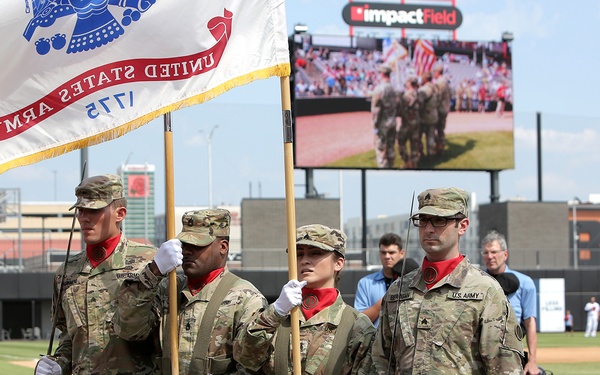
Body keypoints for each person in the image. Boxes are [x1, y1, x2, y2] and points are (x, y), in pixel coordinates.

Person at [372, 187, 524, 374]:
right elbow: (379, 361)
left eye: (438, 220)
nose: (428, 228)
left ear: (463, 225)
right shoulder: (398, 291)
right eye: (423, 220)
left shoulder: (486, 291)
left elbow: (505, 368)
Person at [113, 208, 267, 374]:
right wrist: (153, 271)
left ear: (223, 247)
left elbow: (251, 365)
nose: (187, 251)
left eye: (197, 245)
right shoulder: (167, 289)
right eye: (184, 244)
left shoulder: (246, 299)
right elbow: (127, 329)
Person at [35, 174, 160, 375]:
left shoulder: (149, 263)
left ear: (120, 213)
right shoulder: (67, 272)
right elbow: (70, 335)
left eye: (94, 210)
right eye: (80, 210)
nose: (84, 218)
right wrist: (59, 363)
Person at [234, 224, 375, 374]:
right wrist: (276, 312)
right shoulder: (275, 316)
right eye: (299, 254)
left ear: (338, 263)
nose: (304, 260)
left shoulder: (356, 325)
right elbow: (243, 358)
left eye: (315, 253)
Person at [482, 230, 540, 375]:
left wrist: (532, 361)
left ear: (505, 254)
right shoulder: (477, 282)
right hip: (480, 356)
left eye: (494, 252)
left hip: (511, 355)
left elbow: (530, 322)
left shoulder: (525, 283)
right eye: (486, 252)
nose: (490, 256)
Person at [354, 232, 417, 327]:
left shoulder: (411, 280)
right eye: (383, 252)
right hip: (374, 339)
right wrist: (386, 300)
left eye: (391, 252)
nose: (387, 256)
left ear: (402, 253)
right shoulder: (366, 283)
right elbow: (359, 320)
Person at [371, 65, 400, 168]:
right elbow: (398, 105)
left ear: (382, 74)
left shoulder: (379, 89)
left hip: (382, 124)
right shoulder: (394, 89)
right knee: (391, 147)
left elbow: (376, 110)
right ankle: (391, 167)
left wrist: (375, 124)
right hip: (392, 122)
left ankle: (384, 170)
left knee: (381, 149)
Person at [396, 76, 421, 169]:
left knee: (401, 141)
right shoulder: (419, 93)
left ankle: (407, 161)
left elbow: (401, 108)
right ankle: (414, 162)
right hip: (417, 121)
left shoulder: (407, 95)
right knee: (414, 143)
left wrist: (399, 96)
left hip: (407, 122)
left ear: (410, 83)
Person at [417, 71, 439, 158]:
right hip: (434, 114)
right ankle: (431, 154)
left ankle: (420, 153)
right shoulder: (436, 88)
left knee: (418, 136)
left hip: (424, 116)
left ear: (425, 79)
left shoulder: (424, 90)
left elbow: (419, 102)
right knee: (431, 135)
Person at [432, 65, 451, 155]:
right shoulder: (445, 81)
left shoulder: (440, 82)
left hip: (440, 108)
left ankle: (440, 147)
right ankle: (440, 146)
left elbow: (438, 96)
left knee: (437, 129)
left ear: (437, 72)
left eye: (434, 72)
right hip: (445, 107)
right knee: (440, 129)